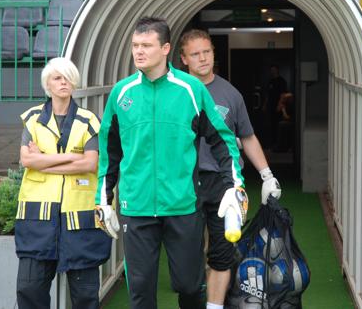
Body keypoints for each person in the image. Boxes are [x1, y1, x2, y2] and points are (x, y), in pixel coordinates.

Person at [94, 17, 248, 309]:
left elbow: (222, 140)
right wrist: (103, 199)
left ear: (165, 49)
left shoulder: (191, 90)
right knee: (140, 290)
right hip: (136, 206)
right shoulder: (121, 93)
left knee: (189, 286)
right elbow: (109, 152)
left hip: (182, 205)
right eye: (135, 45)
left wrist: (234, 186)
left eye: (146, 45)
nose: (139, 51)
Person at [179, 29, 281, 309]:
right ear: (183, 58)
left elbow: (247, 136)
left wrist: (267, 175)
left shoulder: (230, 94)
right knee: (188, 256)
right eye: (195, 54)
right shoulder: (174, 92)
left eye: (207, 52)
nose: (203, 58)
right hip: (184, 183)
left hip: (224, 183)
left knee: (222, 253)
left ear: (214, 53)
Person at [15, 57, 111, 309]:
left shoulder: (89, 120)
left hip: (79, 220)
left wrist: (44, 161)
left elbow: (90, 163)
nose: (63, 82)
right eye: (57, 78)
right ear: (47, 84)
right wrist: (72, 157)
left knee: (85, 296)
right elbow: (27, 160)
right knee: (29, 289)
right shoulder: (33, 118)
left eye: (67, 77)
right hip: (37, 220)